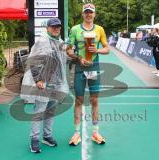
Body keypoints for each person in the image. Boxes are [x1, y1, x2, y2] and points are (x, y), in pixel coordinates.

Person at [22, 18, 69, 153]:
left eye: (58, 27)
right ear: (47, 28)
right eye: (53, 27)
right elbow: (33, 61)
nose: (56, 29)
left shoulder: (60, 42)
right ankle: (34, 140)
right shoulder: (42, 41)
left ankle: (47, 136)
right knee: (39, 111)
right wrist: (38, 80)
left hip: (57, 84)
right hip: (44, 83)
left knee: (50, 112)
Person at [66, 3, 109, 146]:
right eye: (86, 12)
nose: (89, 14)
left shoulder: (100, 29)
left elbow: (106, 49)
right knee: (78, 100)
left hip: (94, 66)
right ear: (83, 14)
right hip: (79, 67)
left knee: (94, 100)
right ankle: (77, 133)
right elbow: (68, 50)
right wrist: (79, 57)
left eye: (91, 12)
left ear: (94, 14)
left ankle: (95, 132)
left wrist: (96, 51)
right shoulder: (75, 29)